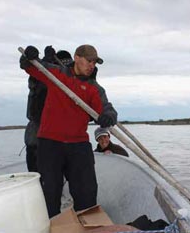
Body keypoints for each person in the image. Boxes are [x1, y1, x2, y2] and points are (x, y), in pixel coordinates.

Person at [20, 44, 118, 218]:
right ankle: (53, 226)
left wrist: (108, 116)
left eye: (95, 63)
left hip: (78, 145)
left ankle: (87, 226)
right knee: (50, 192)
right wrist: (29, 56)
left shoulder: (94, 88)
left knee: (86, 192)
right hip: (50, 144)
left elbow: (106, 108)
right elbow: (30, 66)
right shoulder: (56, 74)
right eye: (89, 61)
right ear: (77, 58)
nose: (92, 66)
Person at [24, 48, 73, 172]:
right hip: (37, 138)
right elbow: (30, 69)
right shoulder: (45, 76)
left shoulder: (71, 82)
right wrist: (42, 60)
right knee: (40, 177)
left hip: (60, 140)